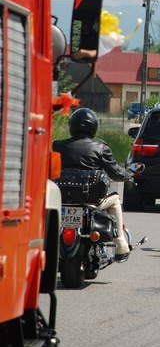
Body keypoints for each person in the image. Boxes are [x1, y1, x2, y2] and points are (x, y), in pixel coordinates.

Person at [53, 108, 132, 262]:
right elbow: (116, 173)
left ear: (72, 126)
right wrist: (129, 176)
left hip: (60, 199)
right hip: (91, 201)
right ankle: (121, 245)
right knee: (115, 199)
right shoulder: (100, 148)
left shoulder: (57, 146)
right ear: (93, 127)